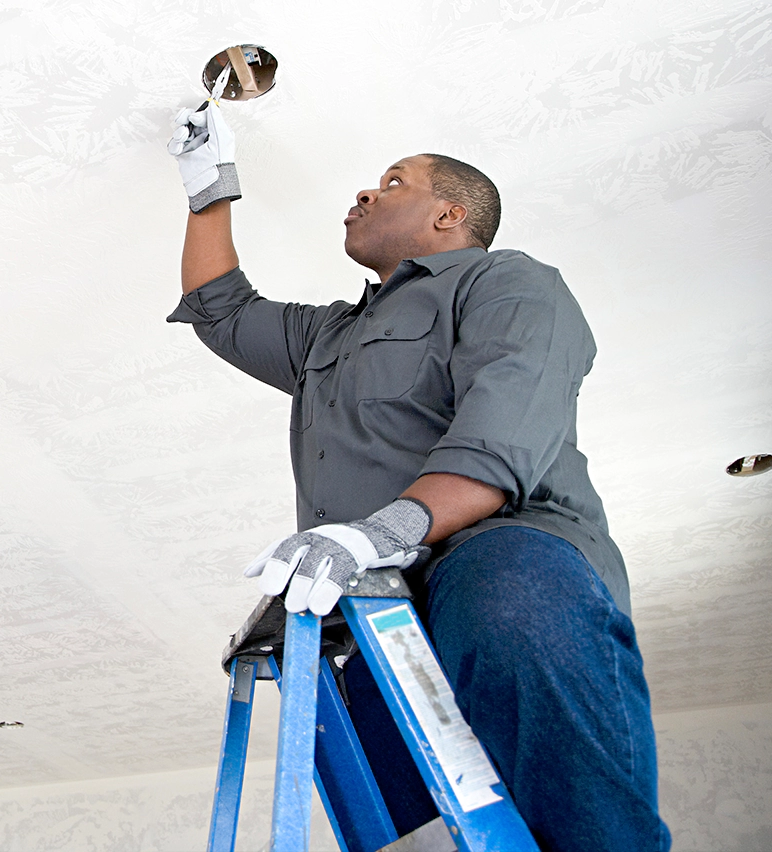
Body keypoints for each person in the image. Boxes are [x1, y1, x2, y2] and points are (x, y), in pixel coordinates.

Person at [165, 98, 671, 852]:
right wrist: (207, 181)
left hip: (504, 557)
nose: (366, 192)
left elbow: (500, 441)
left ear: (449, 216)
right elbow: (222, 312)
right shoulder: (327, 334)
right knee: (387, 803)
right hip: (384, 602)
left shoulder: (508, 284)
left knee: (513, 620)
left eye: (393, 181)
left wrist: (378, 533)